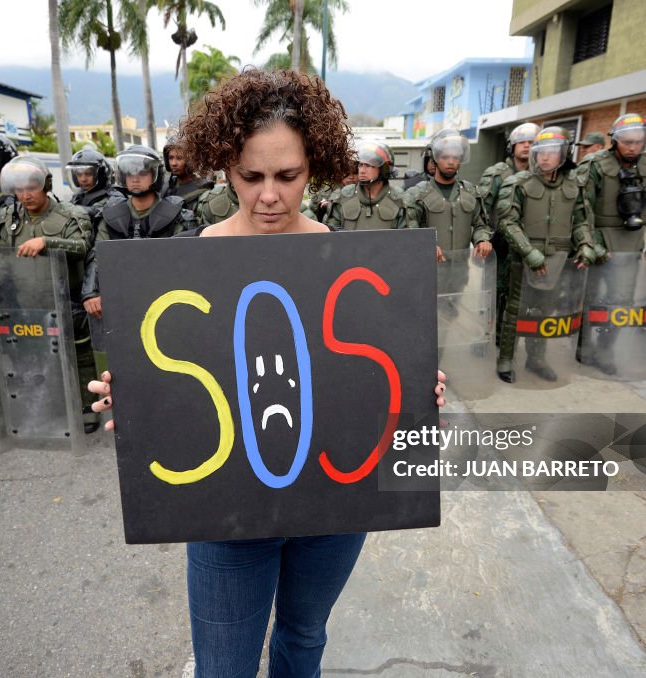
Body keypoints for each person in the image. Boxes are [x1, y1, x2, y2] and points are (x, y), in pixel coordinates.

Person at [87, 67, 447, 678]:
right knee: (224, 665)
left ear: (317, 166)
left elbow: (371, 370)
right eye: (250, 176)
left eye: (288, 176)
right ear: (225, 165)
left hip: (335, 508)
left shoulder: (344, 259)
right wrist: (137, 394)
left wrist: (415, 390)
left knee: (305, 636)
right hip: (228, 517)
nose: (269, 196)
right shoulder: (190, 264)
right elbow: (180, 378)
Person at [0, 156, 100, 433]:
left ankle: (87, 408)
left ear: (45, 185)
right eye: (19, 190)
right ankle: (50, 403)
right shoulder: (9, 217)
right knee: (35, 355)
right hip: (25, 300)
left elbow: (83, 247)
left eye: (31, 188)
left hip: (65, 299)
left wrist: (47, 242)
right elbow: (2, 253)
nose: (25, 195)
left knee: (79, 356)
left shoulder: (72, 215)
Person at [494, 126, 598, 383]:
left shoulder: (575, 186)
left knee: (544, 310)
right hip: (523, 258)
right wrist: (529, 253)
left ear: (563, 154)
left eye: (551, 152)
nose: (544, 158)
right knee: (515, 309)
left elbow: (581, 222)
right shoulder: (517, 183)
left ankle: (536, 358)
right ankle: (506, 358)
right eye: (540, 152)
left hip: (558, 259)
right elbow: (508, 221)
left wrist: (586, 244)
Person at [576, 113, 646, 373]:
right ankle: (584, 343)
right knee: (590, 296)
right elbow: (583, 208)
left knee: (621, 301)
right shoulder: (595, 164)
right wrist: (591, 242)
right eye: (627, 141)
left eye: (638, 141)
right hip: (600, 235)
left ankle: (606, 348)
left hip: (633, 239)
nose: (633, 147)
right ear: (615, 141)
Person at [81, 145, 195, 325]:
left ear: (154, 175)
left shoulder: (177, 215)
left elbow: (186, 261)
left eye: (142, 174)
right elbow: (98, 255)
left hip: (167, 301)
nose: (135, 180)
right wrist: (91, 293)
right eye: (130, 175)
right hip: (121, 301)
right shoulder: (110, 216)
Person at [477, 122, 540, 344]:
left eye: (532, 143)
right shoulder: (497, 174)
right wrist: (484, 238)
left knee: (527, 297)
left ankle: (509, 336)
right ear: (511, 147)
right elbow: (482, 210)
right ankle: (487, 336)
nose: (526, 146)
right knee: (494, 295)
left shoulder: (540, 175)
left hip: (531, 245)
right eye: (521, 142)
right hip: (501, 245)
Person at [406, 129, 492, 261]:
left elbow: (480, 225)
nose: (451, 162)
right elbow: (410, 230)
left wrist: (482, 239)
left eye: (455, 157)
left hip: (461, 272)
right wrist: (426, 245)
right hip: (429, 270)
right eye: (445, 157)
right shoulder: (418, 194)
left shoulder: (471, 192)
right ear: (435, 159)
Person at [324, 138, 412, 230]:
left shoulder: (399, 200)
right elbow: (331, 238)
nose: (362, 170)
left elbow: (407, 240)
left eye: (368, 165)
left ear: (383, 169)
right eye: (360, 165)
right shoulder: (342, 197)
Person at [66, 147, 123, 225]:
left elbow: (97, 211)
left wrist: (67, 210)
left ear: (100, 175)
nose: (83, 179)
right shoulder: (77, 197)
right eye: (79, 174)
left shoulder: (114, 197)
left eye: (88, 174)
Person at [162, 136, 214, 211]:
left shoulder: (203, 189)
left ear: (191, 161)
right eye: (171, 158)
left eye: (179, 158)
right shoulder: (166, 187)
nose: (173, 163)